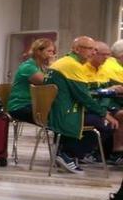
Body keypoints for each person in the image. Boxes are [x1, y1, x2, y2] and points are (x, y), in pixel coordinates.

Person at [45, 36, 119, 173]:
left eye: (95, 50)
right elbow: (84, 97)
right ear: (77, 49)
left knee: (98, 120)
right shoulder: (73, 65)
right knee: (106, 124)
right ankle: (68, 155)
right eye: (90, 49)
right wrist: (105, 114)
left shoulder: (65, 61)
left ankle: (65, 152)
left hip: (56, 110)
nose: (93, 53)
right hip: (64, 113)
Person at [7, 38, 55, 123]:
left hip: (32, 104)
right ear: (38, 52)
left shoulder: (41, 67)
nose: (52, 54)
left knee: (61, 112)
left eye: (53, 52)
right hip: (20, 106)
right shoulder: (28, 67)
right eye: (49, 51)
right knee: (57, 116)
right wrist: (52, 65)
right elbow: (47, 83)